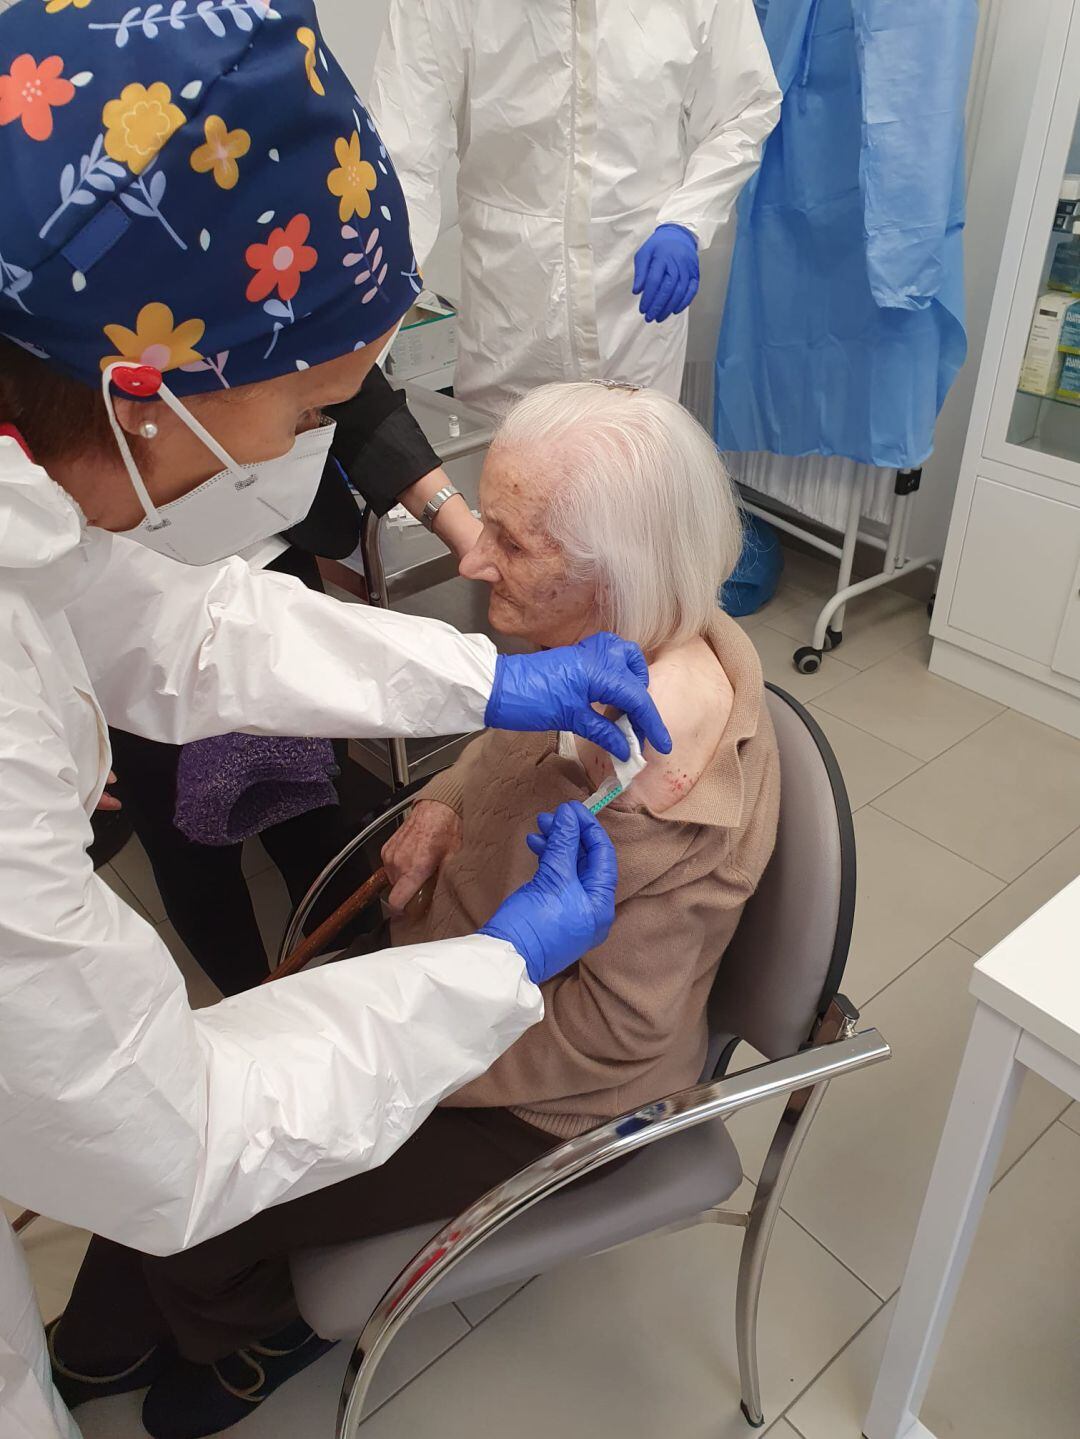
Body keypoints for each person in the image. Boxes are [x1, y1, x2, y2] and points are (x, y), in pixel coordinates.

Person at [0, 4, 672, 1435]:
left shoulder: (35, 494)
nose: (321, 441)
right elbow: (171, 1129)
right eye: (313, 403)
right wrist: (496, 966)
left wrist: (483, 683)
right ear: (151, 386)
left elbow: (172, 623)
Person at [50, 383, 780, 1437]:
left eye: (515, 543)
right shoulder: (602, 641)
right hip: (446, 972)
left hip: (547, 1089)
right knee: (186, 1099)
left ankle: (241, 1323)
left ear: (613, 571)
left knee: (213, 1188)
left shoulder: (669, 789)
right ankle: (100, 1340)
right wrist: (438, 806)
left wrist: (402, 1039)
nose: (473, 557)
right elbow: (501, 734)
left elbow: (613, 1034)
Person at [106, 359, 483, 999]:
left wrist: (464, 531)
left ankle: (352, 993)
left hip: (270, 559)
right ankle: (253, 1005)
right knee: (192, 853)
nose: (308, 417)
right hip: (124, 600)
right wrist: (47, 704)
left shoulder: (286, 306)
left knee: (316, 819)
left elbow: (351, 386)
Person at [369, 0, 781, 417]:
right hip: (509, 309)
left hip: (634, 303)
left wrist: (687, 219)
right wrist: (358, 344)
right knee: (507, 466)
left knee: (633, 465)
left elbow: (744, 109)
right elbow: (402, 167)